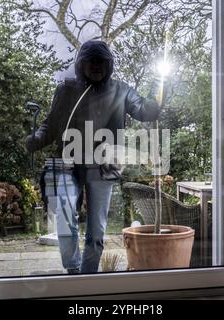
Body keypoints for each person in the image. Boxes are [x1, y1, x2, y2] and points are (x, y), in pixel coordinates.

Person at [25, 40, 160, 274]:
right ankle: (74, 272)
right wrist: (34, 139)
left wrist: (159, 84)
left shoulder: (121, 90)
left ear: (109, 65)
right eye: (91, 61)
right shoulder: (66, 90)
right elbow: (51, 124)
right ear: (81, 64)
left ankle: (89, 277)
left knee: (97, 230)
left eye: (101, 61)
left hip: (104, 165)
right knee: (65, 218)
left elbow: (145, 111)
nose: (96, 66)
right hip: (68, 163)